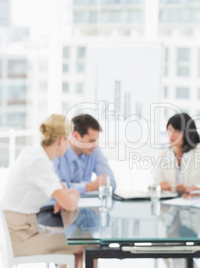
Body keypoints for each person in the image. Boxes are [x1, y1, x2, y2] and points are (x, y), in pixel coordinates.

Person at [1, 114, 83, 268]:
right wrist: (75, 194)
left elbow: (61, 190)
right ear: (61, 140)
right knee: (82, 242)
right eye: (68, 140)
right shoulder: (38, 162)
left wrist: (64, 196)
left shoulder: (36, 155)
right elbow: (70, 204)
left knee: (77, 241)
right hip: (22, 236)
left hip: (27, 228)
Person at [154, 113, 200, 194]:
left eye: (176, 131)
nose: (171, 135)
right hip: (169, 203)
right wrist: (160, 185)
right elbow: (154, 182)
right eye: (169, 129)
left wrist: (189, 189)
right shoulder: (163, 155)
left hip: (193, 202)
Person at [54, 114, 116, 194]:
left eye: (96, 140)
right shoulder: (58, 151)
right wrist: (88, 187)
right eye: (91, 141)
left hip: (88, 204)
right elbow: (53, 187)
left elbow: (111, 182)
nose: (95, 145)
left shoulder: (94, 151)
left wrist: (70, 187)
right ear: (76, 136)